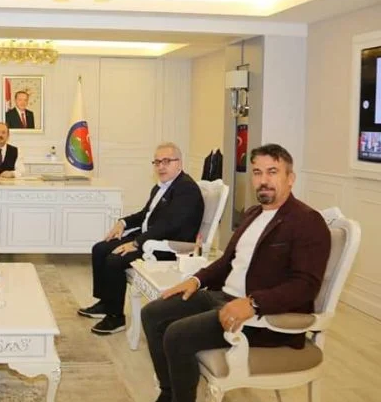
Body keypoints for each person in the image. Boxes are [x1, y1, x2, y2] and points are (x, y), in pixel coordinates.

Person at [141, 143, 331, 402]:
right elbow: (227, 262)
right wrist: (196, 280)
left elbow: (305, 285)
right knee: (152, 314)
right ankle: (169, 394)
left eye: (272, 172)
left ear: (290, 178)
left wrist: (254, 303)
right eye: (257, 172)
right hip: (223, 297)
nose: (263, 180)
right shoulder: (253, 214)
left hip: (262, 317)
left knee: (177, 334)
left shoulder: (307, 221)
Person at [78, 142, 204, 335]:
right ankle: (106, 303)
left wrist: (137, 243)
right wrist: (123, 223)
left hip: (167, 247)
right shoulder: (161, 187)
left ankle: (115, 317)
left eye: (166, 161)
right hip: (149, 238)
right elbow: (145, 215)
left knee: (114, 259)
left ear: (179, 163)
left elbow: (169, 225)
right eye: (157, 162)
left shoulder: (186, 189)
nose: (161, 166)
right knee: (100, 248)